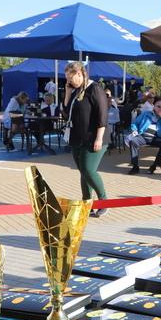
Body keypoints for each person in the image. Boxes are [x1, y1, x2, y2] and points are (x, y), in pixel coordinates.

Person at [63, 61, 109, 217]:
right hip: (77, 138)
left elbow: (102, 115)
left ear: (79, 73)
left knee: (88, 170)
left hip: (94, 138)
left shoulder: (94, 88)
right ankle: (86, 203)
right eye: (67, 79)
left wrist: (99, 138)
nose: (69, 81)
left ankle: (104, 201)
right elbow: (65, 112)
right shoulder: (76, 91)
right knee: (83, 172)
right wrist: (68, 93)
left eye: (70, 78)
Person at [126, 99, 161, 174]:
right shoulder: (146, 114)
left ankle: (154, 166)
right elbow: (135, 123)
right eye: (158, 106)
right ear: (154, 107)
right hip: (143, 136)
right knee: (133, 141)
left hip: (156, 138)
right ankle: (135, 167)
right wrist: (134, 130)